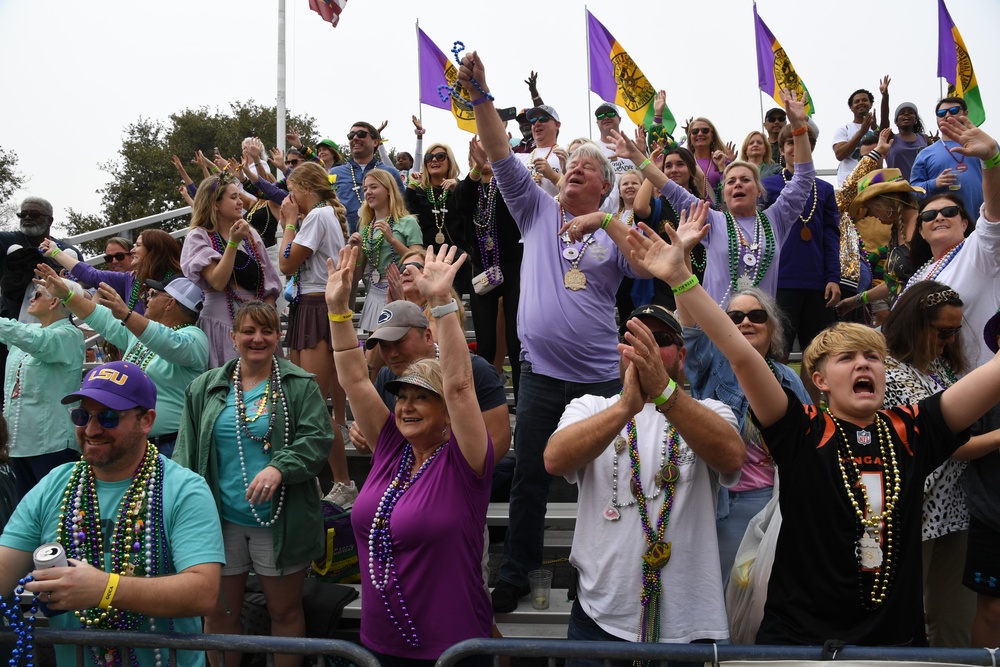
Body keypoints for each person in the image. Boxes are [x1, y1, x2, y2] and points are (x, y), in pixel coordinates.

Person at [625, 200, 1000, 646]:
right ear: (819, 380)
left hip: (892, 646)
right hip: (800, 642)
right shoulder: (800, 429)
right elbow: (741, 354)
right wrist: (680, 279)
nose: (865, 365)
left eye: (873, 358)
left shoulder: (913, 428)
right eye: (849, 358)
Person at [457, 50, 653, 613]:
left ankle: (619, 569)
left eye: (588, 167)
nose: (575, 168)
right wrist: (480, 96)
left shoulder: (615, 227)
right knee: (530, 482)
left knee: (614, 476)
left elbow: (643, 269)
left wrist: (608, 222)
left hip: (600, 378)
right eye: (572, 164)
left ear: (603, 186)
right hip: (541, 376)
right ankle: (517, 571)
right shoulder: (535, 211)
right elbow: (498, 149)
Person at [544, 304, 742, 663]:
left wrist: (663, 393)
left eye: (660, 339)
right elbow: (555, 458)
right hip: (599, 618)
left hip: (689, 624)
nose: (645, 347)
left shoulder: (713, 411)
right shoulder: (590, 406)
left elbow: (731, 457)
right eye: (634, 338)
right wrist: (624, 408)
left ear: (681, 356)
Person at [326, 244, 494, 665]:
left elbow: (459, 386)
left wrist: (441, 304)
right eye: (402, 396)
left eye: (423, 398)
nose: (406, 406)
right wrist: (337, 309)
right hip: (379, 644)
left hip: (451, 649)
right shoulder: (390, 446)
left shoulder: (465, 462)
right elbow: (353, 377)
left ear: (447, 415)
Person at [0, 361, 223, 667]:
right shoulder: (54, 484)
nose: (91, 429)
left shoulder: (184, 489)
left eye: (107, 417)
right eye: (82, 416)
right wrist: (35, 600)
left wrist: (106, 589)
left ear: (146, 420)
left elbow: (202, 592)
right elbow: (4, 572)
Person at [174, 301, 333, 667]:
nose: (257, 339)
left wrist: (280, 467)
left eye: (267, 331)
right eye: (249, 331)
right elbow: (185, 453)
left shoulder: (299, 385)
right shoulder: (204, 387)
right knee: (218, 613)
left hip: (279, 521)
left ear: (279, 337)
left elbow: (317, 440)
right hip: (219, 520)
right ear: (233, 337)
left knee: (284, 611)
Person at [678, 285, 811, 585]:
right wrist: (681, 266)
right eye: (735, 316)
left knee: (765, 598)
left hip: (774, 502)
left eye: (756, 316)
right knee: (727, 597)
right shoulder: (712, 366)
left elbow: (808, 441)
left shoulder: (788, 378)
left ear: (772, 327)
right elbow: (689, 329)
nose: (745, 322)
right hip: (725, 503)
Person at [881, 281, 987, 647]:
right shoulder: (889, 374)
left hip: (955, 508)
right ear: (914, 324)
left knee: (956, 614)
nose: (950, 340)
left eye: (956, 331)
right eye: (943, 332)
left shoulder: (942, 368)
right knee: (905, 613)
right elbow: (948, 443)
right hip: (914, 511)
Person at [642, 90, 816, 305]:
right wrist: (638, 159)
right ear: (724, 193)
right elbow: (672, 190)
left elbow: (803, 178)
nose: (738, 185)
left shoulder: (776, 218)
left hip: (761, 323)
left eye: (745, 179)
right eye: (731, 181)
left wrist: (799, 127)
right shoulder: (712, 220)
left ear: (759, 190)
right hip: (717, 326)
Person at [37, 263, 208, 458]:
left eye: (152, 294)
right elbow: (97, 315)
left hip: (171, 446)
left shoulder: (195, 338)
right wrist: (66, 295)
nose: (145, 300)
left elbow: (169, 343)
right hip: (133, 444)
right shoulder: (138, 332)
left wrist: (127, 315)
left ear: (170, 303)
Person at [277, 161, 355, 508]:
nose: (289, 199)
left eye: (293, 191)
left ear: (306, 188)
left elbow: (286, 263)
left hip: (316, 308)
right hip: (308, 306)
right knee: (306, 401)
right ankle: (329, 477)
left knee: (311, 402)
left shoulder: (318, 215)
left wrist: (290, 224)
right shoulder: (325, 215)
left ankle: (343, 481)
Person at [351, 299, 510, 462]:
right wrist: (363, 437)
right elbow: (373, 440)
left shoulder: (474, 370)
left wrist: (447, 476)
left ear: (428, 336)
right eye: (384, 346)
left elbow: (498, 439)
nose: (392, 354)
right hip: (406, 479)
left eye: (399, 342)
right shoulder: (387, 376)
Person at [902, 113, 1000, 370]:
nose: (940, 218)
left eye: (950, 212)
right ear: (921, 231)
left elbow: (995, 211)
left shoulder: (979, 249)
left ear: (965, 223)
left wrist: (991, 159)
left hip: (983, 387)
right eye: (929, 215)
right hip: (936, 390)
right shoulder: (919, 275)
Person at [762, 123, 841, 400]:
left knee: (817, 350)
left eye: (803, 143)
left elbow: (831, 237)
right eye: (791, 144)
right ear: (782, 150)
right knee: (777, 350)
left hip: (817, 282)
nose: (796, 149)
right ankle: (780, 404)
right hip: (781, 280)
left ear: (812, 148)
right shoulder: (768, 185)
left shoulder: (826, 189)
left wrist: (833, 276)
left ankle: (810, 408)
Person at [181, 171, 281, 368]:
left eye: (239, 196)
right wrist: (233, 244)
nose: (240, 202)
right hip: (220, 323)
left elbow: (268, 285)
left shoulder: (250, 234)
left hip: (256, 321)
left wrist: (270, 323)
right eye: (233, 197)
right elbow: (217, 282)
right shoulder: (199, 236)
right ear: (215, 204)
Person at [1, 278, 86, 500]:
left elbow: (39, 342)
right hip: (16, 445)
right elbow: (21, 334)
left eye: (37, 293)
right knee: (23, 517)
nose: (31, 297)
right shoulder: (27, 330)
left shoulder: (70, 335)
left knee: (55, 516)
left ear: (54, 301)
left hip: (52, 445)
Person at [454, 137, 523, 397]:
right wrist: (476, 169)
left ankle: (522, 399)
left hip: (513, 267)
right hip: (482, 270)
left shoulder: (506, 183)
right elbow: (460, 203)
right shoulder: (468, 186)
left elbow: (516, 197)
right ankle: (485, 401)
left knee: (516, 342)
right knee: (485, 342)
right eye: (478, 152)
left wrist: (497, 162)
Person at [43, 228, 182, 317]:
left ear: (154, 251)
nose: (133, 250)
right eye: (109, 258)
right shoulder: (130, 279)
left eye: (138, 245)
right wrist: (56, 252)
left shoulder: (180, 284)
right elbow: (92, 275)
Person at [358, 169, 423, 332]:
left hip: (402, 290)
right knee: (375, 348)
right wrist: (356, 251)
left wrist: (392, 240)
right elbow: (359, 272)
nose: (368, 192)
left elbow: (417, 262)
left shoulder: (408, 222)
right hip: (374, 291)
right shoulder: (365, 228)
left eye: (373, 187)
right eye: (365, 189)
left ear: (388, 190)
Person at [909, 97, 988, 219]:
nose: (947, 115)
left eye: (954, 110)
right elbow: (913, 192)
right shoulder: (925, 154)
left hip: (984, 221)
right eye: (941, 113)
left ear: (965, 113)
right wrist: (935, 183)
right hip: (945, 224)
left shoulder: (984, 145)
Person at [331, 121, 404, 234]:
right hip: (343, 240)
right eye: (351, 135)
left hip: (382, 240)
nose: (355, 138)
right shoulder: (335, 173)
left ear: (375, 142)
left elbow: (401, 207)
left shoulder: (390, 173)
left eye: (361, 134)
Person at [517, 105, 567, 198]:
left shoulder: (566, 156)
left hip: (556, 211)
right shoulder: (520, 158)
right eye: (532, 121)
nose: (537, 123)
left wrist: (552, 175)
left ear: (557, 125)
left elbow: (577, 194)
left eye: (543, 119)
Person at [833, 88, 879, 185]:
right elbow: (840, 155)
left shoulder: (877, 130)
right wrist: (861, 132)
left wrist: (885, 95)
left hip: (874, 182)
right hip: (849, 184)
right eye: (857, 101)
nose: (861, 103)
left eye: (864, 100)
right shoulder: (844, 129)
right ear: (851, 107)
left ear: (871, 104)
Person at [685, 117, 732, 200]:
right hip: (691, 210)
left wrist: (722, 168)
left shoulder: (724, 161)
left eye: (705, 130)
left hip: (718, 211)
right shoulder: (684, 162)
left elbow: (732, 189)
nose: (699, 134)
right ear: (690, 137)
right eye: (695, 132)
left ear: (712, 135)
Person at [885, 102, 931, 180]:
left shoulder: (924, 138)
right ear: (896, 122)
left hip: (921, 187)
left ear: (915, 120)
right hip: (897, 189)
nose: (906, 114)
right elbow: (884, 119)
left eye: (910, 112)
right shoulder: (891, 138)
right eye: (902, 113)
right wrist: (885, 96)